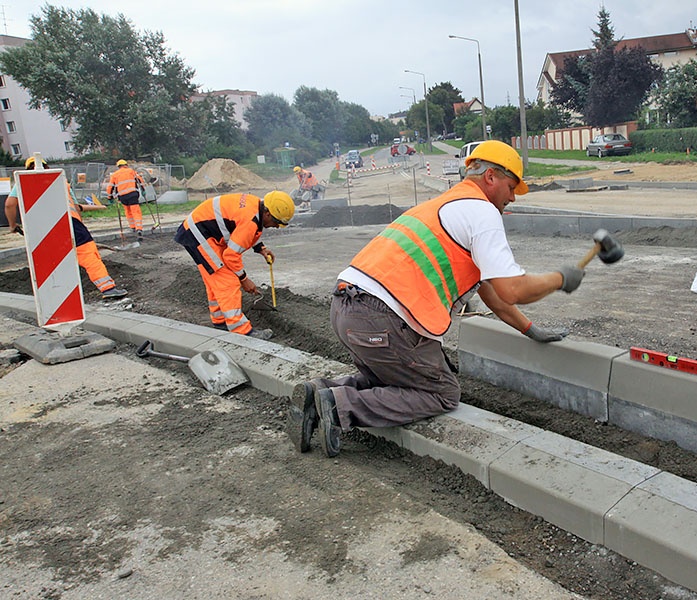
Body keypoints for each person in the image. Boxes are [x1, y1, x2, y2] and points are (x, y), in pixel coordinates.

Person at [286, 140, 586, 458]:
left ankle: (319, 392)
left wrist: (530, 330)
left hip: (346, 307)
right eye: (511, 187)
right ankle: (339, 406)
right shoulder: (482, 213)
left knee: (390, 378)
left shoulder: (443, 206)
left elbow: (495, 295)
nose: (511, 197)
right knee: (440, 392)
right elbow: (513, 289)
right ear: (491, 177)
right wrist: (561, 279)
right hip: (383, 318)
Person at [173, 191, 295, 340]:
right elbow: (231, 255)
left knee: (216, 280)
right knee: (227, 281)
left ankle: (220, 321)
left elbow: (243, 230)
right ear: (268, 214)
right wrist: (244, 279)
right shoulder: (251, 220)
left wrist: (260, 248)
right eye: (276, 222)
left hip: (200, 230)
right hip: (199, 234)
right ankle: (241, 330)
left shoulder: (256, 207)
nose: (276, 226)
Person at [8, 157, 127, 298]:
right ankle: (107, 288)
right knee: (88, 254)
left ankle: (55, 294)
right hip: (70, 222)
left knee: (53, 259)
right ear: (47, 167)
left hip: (41, 228)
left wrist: (12, 225)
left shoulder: (23, 182)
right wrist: (81, 227)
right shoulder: (61, 181)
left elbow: (9, 205)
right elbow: (75, 208)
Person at [106, 159, 146, 238]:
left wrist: (110, 197)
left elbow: (110, 187)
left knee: (128, 211)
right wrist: (143, 189)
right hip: (133, 195)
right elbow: (139, 180)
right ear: (126, 165)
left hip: (123, 196)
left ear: (118, 166)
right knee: (136, 211)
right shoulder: (131, 171)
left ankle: (132, 227)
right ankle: (139, 228)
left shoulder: (115, 175)